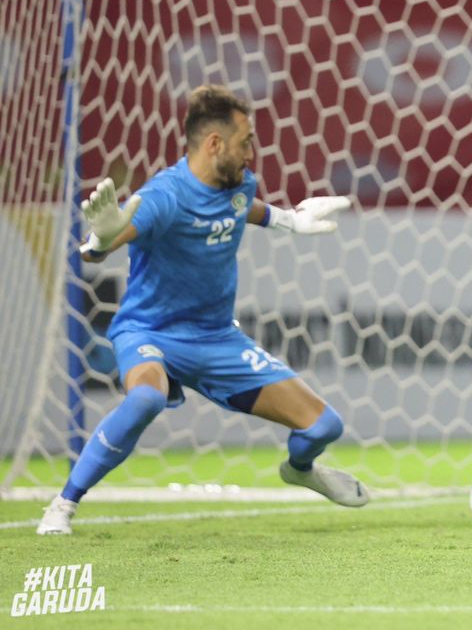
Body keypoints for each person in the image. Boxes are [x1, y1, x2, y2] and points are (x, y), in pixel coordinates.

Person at [38, 85, 369, 535]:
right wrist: (99, 239)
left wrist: (287, 219)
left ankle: (301, 470)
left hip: (216, 339)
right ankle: (63, 505)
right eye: (246, 140)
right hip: (149, 332)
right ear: (215, 144)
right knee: (147, 398)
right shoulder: (164, 197)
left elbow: (237, 208)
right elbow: (99, 250)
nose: (252, 151)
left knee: (324, 427)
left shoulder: (237, 185)